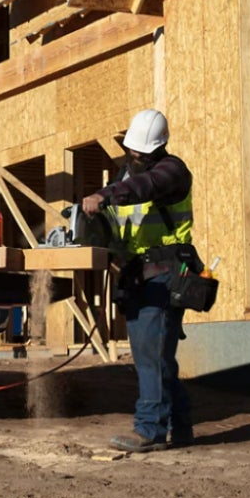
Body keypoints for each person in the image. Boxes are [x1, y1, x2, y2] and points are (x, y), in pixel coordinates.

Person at [80, 109, 196, 453]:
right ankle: (181, 425)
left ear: (159, 148)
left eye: (141, 152)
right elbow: (122, 200)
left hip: (164, 274)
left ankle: (150, 429)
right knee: (158, 356)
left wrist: (106, 196)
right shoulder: (126, 175)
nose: (135, 156)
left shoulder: (172, 171)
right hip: (139, 276)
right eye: (132, 150)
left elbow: (146, 187)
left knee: (150, 355)